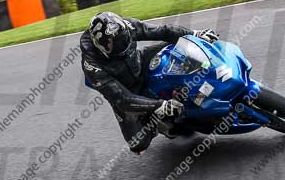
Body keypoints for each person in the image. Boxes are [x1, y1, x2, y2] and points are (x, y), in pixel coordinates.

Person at [80, 11, 219, 153]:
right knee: (137, 143)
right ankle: (160, 123)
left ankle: (213, 73)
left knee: (180, 44)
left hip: (140, 62)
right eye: (116, 46)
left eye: (124, 41)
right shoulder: (91, 65)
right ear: (100, 46)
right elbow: (122, 99)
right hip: (124, 90)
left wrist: (194, 34)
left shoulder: (127, 27)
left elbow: (162, 31)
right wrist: (160, 106)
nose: (122, 47)